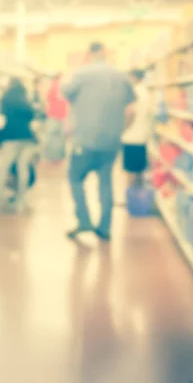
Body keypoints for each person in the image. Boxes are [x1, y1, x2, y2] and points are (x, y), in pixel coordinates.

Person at [62, 42, 136, 241]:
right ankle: (104, 227)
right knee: (106, 183)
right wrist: (121, 129)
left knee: (75, 179)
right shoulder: (122, 77)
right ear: (106, 54)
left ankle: (84, 222)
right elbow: (131, 110)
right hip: (111, 142)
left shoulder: (82, 74)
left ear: (89, 54)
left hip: (84, 140)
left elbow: (65, 93)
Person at [0, 78, 37, 212]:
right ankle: (21, 199)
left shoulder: (5, 100)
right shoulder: (25, 100)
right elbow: (31, 116)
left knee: (3, 167)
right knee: (23, 168)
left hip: (10, 138)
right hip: (27, 138)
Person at [122, 69, 151, 187]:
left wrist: (123, 127)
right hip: (142, 136)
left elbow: (130, 112)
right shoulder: (145, 92)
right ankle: (139, 198)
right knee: (139, 170)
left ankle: (131, 198)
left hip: (131, 136)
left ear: (133, 77)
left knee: (131, 171)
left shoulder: (133, 92)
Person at [44, 74, 68, 162]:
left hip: (53, 115)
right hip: (62, 115)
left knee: (52, 137)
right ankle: (60, 156)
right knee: (60, 137)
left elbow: (47, 100)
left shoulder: (52, 87)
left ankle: (51, 156)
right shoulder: (64, 87)